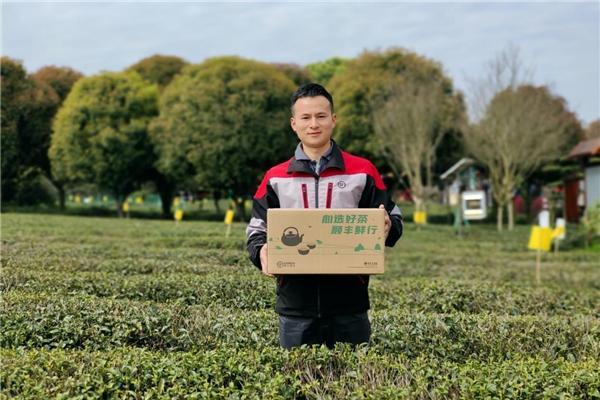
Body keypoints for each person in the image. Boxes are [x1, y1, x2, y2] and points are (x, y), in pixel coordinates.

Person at [246, 83, 403, 349]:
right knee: (297, 384)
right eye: (305, 118)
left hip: (350, 303)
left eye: (321, 116)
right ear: (293, 123)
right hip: (295, 306)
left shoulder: (363, 171)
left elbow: (393, 216)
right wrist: (261, 252)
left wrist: (387, 227)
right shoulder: (275, 177)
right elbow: (256, 230)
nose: (313, 124)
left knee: (354, 384)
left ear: (333, 119)